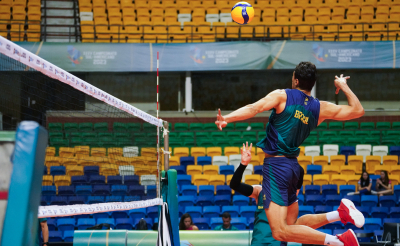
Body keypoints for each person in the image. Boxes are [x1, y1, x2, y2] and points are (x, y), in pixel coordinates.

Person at [215, 61, 365, 246]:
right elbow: (358, 111)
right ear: (313, 83)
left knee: (279, 232)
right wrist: (343, 86)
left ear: (295, 80)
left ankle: (339, 241)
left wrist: (227, 118)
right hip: (293, 168)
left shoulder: (282, 96)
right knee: (292, 225)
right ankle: (340, 213)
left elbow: (254, 108)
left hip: (276, 167)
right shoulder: (320, 108)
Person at [230, 142, 282, 245]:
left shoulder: (288, 192)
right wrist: (243, 164)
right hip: (258, 242)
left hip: (277, 242)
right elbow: (234, 185)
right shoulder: (259, 190)